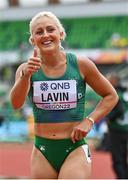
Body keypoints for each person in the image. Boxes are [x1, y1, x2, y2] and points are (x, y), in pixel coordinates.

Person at [10, 11, 118, 179]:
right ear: (33, 40)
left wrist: (89, 121)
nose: (45, 35)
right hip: (42, 149)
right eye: (39, 32)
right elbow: (16, 104)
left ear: (60, 34)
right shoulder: (25, 69)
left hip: (73, 148)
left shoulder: (81, 64)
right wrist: (26, 76)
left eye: (50, 29)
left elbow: (111, 95)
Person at [106, 73, 128, 179]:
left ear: (114, 81)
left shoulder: (115, 94)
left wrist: (109, 117)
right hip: (125, 130)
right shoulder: (124, 93)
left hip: (117, 130)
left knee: (117, 160)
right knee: (123, 158)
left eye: (109, 79)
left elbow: (119, 110)